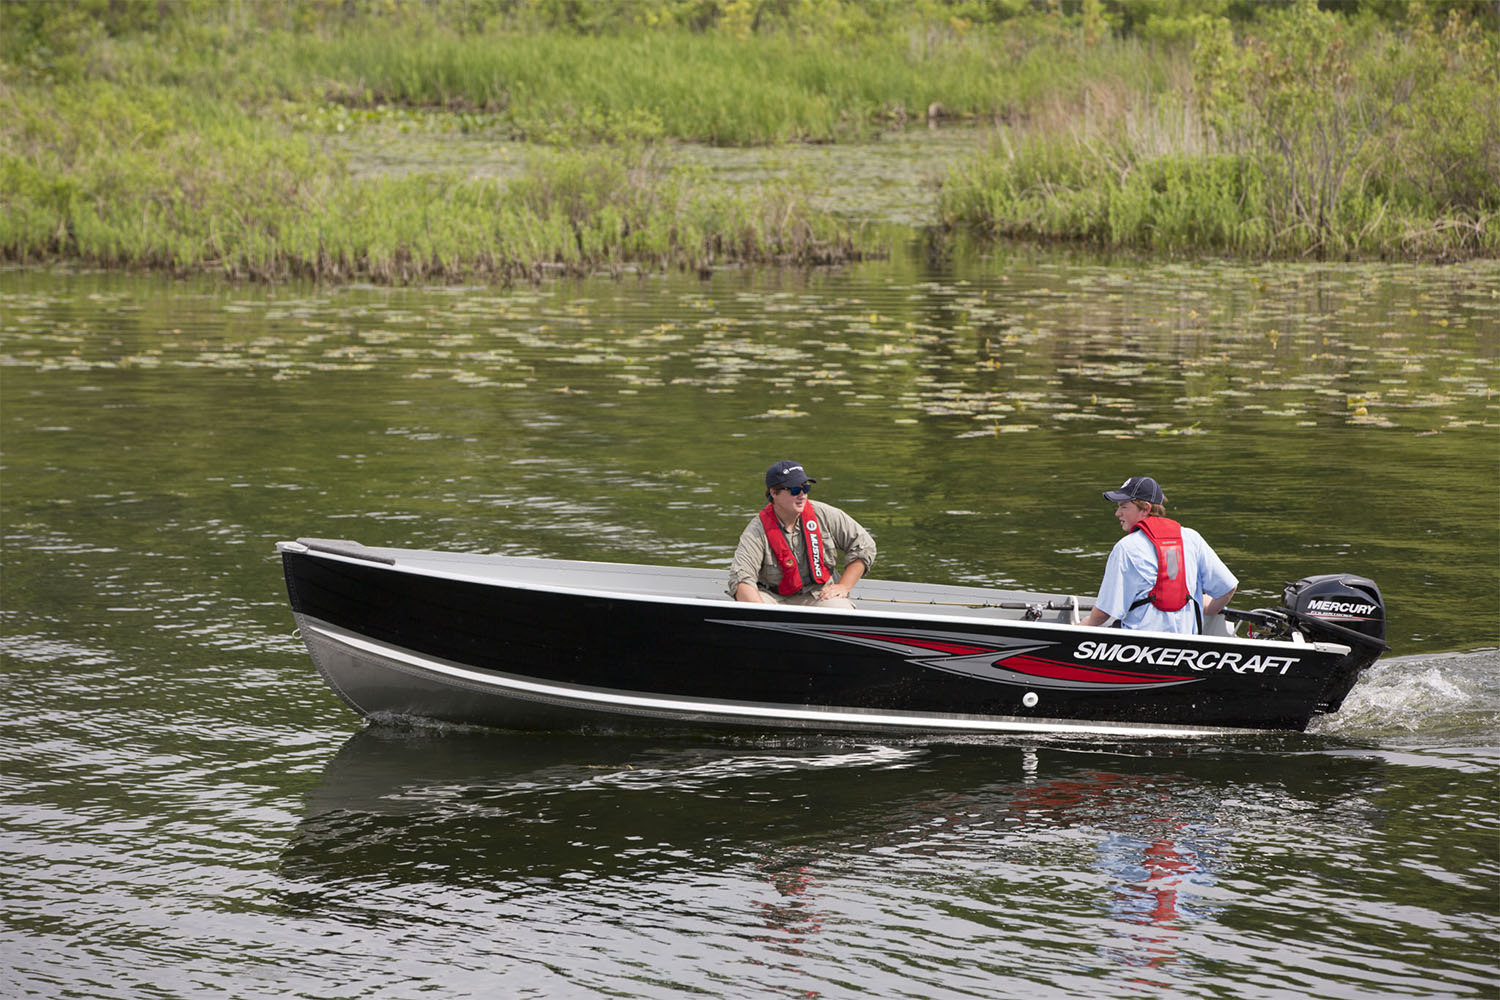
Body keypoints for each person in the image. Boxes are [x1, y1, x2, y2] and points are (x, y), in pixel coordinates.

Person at [1077, 475, 1237, 634]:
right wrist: (1209, 608)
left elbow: (1104, 612)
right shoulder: (1192, 538)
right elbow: (1228, 588)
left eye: (1123, 507)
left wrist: (1087, 624)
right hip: (1187, 643)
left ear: (1145, 508)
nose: (1117, 513)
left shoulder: (1126, 547)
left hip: (1139, 643)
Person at [729, 460, 876, 609]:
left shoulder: (824, 514)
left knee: (842, 610)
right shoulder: (756, 531)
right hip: (773, 596)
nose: (802, 495)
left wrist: (844, 586)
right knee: (752, 603)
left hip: (820, 593)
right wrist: (766, 616)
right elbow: (741, 578)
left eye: (805, 488)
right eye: (794, 490)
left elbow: (864, 545)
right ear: (773, 493)